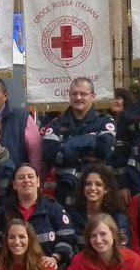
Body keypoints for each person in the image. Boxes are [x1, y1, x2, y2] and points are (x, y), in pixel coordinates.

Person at [40, 77, 119, 216]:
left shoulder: (105, 122)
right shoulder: (56, 124)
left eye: (83, 94)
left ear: (93, 97)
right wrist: (89, 145)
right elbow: (49, 155)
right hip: (65, 194)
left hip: (96, 196)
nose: (78, 98)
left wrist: (69, 145)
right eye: (74, 94)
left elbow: (104, 150)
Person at [0, 164, 76, 270]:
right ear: (14, 184)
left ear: (38, 181)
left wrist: (54, 259)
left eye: (30, 176)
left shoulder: (54, 209)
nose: (26, 180)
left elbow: (68, 240)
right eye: (21, 178)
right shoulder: (1, 212)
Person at [70, 162, 133, 250]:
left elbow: (124, 252)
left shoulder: (119, 219)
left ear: (106, 189)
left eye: (98, 184)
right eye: (88, 184)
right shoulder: (72, 217)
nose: (92, 188)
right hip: (79, 263)